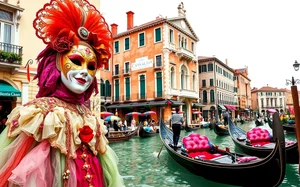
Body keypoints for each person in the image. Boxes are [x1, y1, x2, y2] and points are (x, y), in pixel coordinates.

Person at [0, 0, 124, 186]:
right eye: (76, 61)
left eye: (91, 66)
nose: (84, 71)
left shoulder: (90, 115)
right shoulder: (40, 113)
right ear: (56, 63)